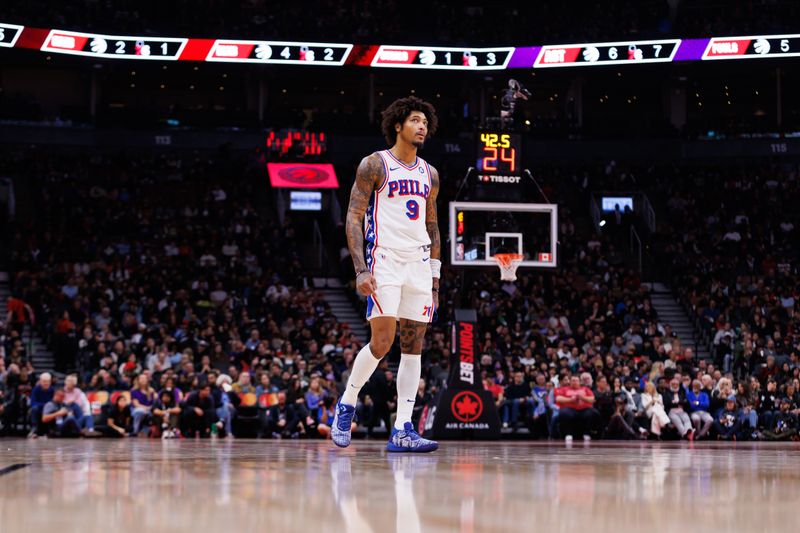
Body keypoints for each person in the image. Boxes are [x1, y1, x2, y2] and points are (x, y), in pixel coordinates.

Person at [335, 96, 440, 453]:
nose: (421, 126)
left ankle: (403, 428)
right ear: (398, 125)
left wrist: (435, 277)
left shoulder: (430, 173)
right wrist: (360, 268)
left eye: (425, 121)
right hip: (385, 261)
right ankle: (347, 402)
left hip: (419, 264)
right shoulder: (374, 164)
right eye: (415, 120)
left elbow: (433, 226)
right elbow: (352, 216)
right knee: (382, 343)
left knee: (414, 348)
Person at [554, 375, 600, 442]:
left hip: (584, 409)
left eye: (576, 380)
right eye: (573, 380)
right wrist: (570, 399)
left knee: (593, 413)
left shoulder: (585, 389)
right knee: (564, 413)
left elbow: (592, 399)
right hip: (569, 408)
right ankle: (568, 434)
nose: (574, 382)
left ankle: (587, 433)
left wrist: (583, 398)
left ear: (580, 382)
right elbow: (558, 399)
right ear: (570, 381)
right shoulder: (564, 389)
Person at [28, 372, 54, 438]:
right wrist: (44, 405)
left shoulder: (52, 390)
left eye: (48, 381)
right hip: (39, 408)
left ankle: (50, 431)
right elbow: (32, 402)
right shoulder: (36, 389)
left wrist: (47, 406)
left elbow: (53, 402)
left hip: (48, 410)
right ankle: (34, 429)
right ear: (40, 381)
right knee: (34, 409)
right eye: (44, 381)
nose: (46, 383)